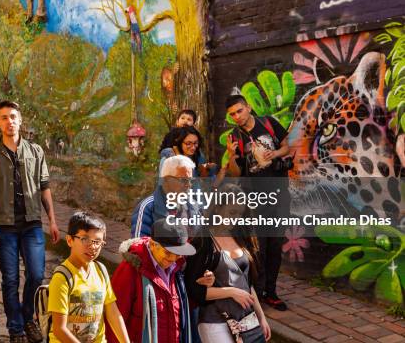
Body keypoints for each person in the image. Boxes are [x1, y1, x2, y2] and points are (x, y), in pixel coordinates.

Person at [0, 100, 60, 343]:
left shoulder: (36, 151)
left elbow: (44, 188)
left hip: (32, 224)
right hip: (4, 226)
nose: (9, 121)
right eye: (4, 117)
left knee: (36, 275)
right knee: (10, 279)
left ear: (20, 120)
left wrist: (53, 221)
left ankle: (27, 318)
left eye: (13, 116)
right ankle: (16, 330)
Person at [224, 94, 291, 311]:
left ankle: (271, 292)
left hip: (279, 194)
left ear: (248, 107)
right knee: (257, 247)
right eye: (232, 114)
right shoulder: (235, 136)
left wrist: (275, 154)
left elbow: (287, 146)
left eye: (239, 111)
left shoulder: (269, 123)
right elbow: (234, 174)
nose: (237, 116)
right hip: (255, 199)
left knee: (275, 245)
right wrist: (231, 156)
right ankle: (256, 291)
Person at [185, 184, 271, 343]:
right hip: (215, 323)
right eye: (232, 212)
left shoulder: (240, 237)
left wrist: (261, 318)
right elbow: (195, 290)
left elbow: (248, 284)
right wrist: (231, 292)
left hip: (246, 321)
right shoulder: (203, 242)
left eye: (239, 214)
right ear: (218, 209)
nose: (236, 218)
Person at [107, 219, 213, 343]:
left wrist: (203, 283)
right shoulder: (129, 270)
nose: (173, 259)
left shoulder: (178, 268)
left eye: (178, 254)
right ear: (152, 244)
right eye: (168, 253)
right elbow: (114, 318)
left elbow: (183, 308)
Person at [48, 212, 130, 343]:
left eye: (97, 241)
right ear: (70, 240)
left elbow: (113, 313)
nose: (92, 246)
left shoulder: (101, 271)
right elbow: (59, 329)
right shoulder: (62, 277)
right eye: (85, 239)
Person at [131, 155, 196, 238]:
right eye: (183, 180)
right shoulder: (147, 207)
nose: (189, 185)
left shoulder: (191, 205)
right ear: (166, 179)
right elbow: (139, 244)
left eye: (191, 180)